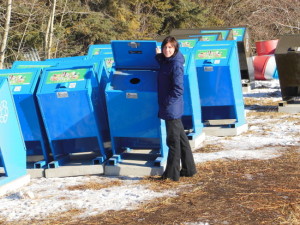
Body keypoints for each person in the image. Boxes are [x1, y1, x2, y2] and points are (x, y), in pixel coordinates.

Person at [155, 36, 197, 181]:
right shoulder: (168, 61)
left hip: (171, 107)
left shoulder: (176, 65)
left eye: (170, 48)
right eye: (165, 47)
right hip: (170, 106)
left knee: (173, 141)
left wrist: (168, 102)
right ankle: (189, 169)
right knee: (181, 138)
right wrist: (158, 55)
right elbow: (162, 60)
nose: (167, 50)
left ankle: (172, 174)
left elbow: (178, 89)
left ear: (175, 49)